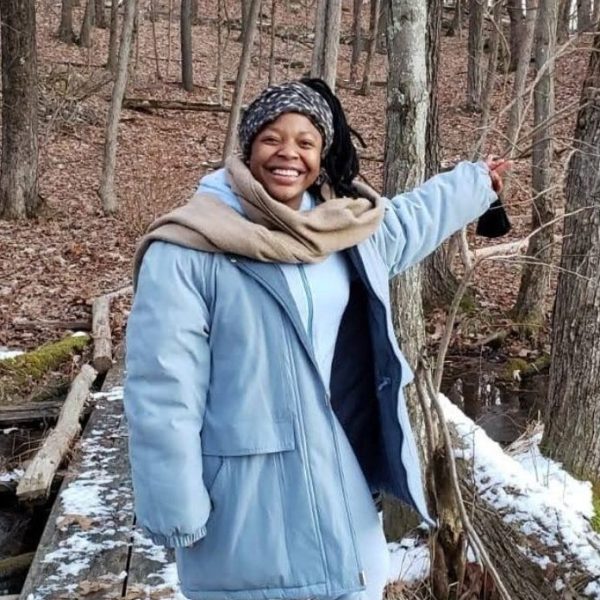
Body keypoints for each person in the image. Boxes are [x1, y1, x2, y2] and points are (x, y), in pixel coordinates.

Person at [124, 78, 511, 600]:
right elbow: (162, 385)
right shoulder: (190, 247)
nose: (289, 154)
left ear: (322, 152)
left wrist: (476, 183)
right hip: (246, 506)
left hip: (341, 486)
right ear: (248, 147)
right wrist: (174, 506)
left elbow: (413, 218)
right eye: (272, 139)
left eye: (305, 142)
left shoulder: (338, 228)